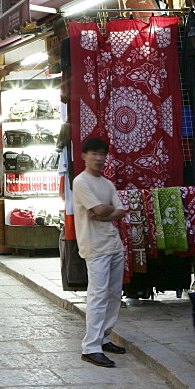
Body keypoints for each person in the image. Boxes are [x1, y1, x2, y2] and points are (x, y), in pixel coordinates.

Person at [72, 138, 127, 368]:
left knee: (114, 294)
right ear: (84, 155)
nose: (99, 158)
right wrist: (105, 211)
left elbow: (121, 210)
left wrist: (104, 214)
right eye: (94, 153)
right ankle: (91, 347)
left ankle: (104, 336)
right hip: (95, 247)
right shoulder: (81, 182)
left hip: (113, 244)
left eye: (103, 154)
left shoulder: (107, 184)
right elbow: (101, 208)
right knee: (97, 295)